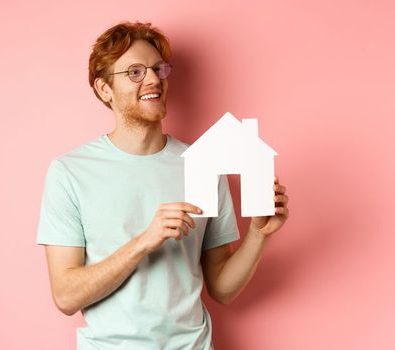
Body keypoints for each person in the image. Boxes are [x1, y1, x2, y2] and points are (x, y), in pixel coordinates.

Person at [36, 21, 290, 349]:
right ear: (104, 89)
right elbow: (66, 296)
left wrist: (259, 233)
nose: (154, 79)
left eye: (158, 69)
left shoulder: (204, 165)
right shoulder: (70, 173)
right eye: (135, 72)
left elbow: (222, 288)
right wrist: (144, 242)